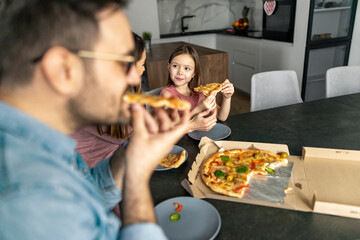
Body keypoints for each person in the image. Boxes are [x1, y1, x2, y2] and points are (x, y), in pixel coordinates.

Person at [0, 1, 190, 239]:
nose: (135, 76)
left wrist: (134, 157)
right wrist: (138, 184)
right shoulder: (28, 194)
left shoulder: (38, 141)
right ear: (63, 69)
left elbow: (87, 192)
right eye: (123, 63)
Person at [71, 32, 146, 168]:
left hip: (112, 162)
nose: (143, 69)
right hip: (93, 175)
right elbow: (136, 138)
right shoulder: (97, 103)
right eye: (141, 64)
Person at [160, 45, 234, 132]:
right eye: (175, 66)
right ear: (169, 67)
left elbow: (222, 117)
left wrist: (227, 98)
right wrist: (199, 108)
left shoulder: (200, 92)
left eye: (187, 68)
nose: (180, 72)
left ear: (194, 73)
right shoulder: (167, 95)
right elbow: (171, 127)